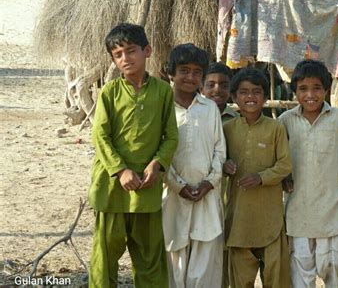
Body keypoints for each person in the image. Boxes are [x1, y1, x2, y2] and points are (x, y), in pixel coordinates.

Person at [88, 23, 178, 288]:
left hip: (147, 189)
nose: (125, 58)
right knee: (104, 260)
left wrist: (158, 163)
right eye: (118, 54)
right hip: (111, 188)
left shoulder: (163, 92)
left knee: (150, 262)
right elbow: (100, 137)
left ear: (146, 50)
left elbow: (171, 136)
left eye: (131, 50)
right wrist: (121, 170)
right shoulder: (109, 92)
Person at [278, 60, 338, 288]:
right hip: (298, 210)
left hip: (334, 207)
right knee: (301, 270)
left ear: (327, 90)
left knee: (334, 268)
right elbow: (276, 154)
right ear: (295, 92)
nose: (310, 95)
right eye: (303, 89)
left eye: (316, 88)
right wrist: (282, 174)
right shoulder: (286, 121)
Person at [162, 44, 226, 287]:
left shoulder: (209, 109)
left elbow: (220, 151)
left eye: (197, 72)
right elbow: (159, 154)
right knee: (174, 259)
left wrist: (210, 183)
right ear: (171, 73)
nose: (190, 77)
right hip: (173, 197)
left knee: (205, 263)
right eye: (184, 70)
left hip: (206, 196)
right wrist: (179, 186)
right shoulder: (164, 107)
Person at [223, 67, 292, 288]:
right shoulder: (227, 129)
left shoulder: (275, 128)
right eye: (243, 92)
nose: (250, 97)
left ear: (265, 96)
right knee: (240, 280)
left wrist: (261, 178)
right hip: (239, 217)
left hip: (270, 216)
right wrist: (225, 165)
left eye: (256, 91)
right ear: (234, 97)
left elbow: (285, 165)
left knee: (276, 278)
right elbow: (216, 160)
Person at [201, 62, 238, 288]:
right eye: (211, 84)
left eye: (223, 85)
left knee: (226, 251)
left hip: (227, 195)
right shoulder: (196, 116)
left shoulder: (236, 119)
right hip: (200, 192)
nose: (217, 90)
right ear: (201, 87)